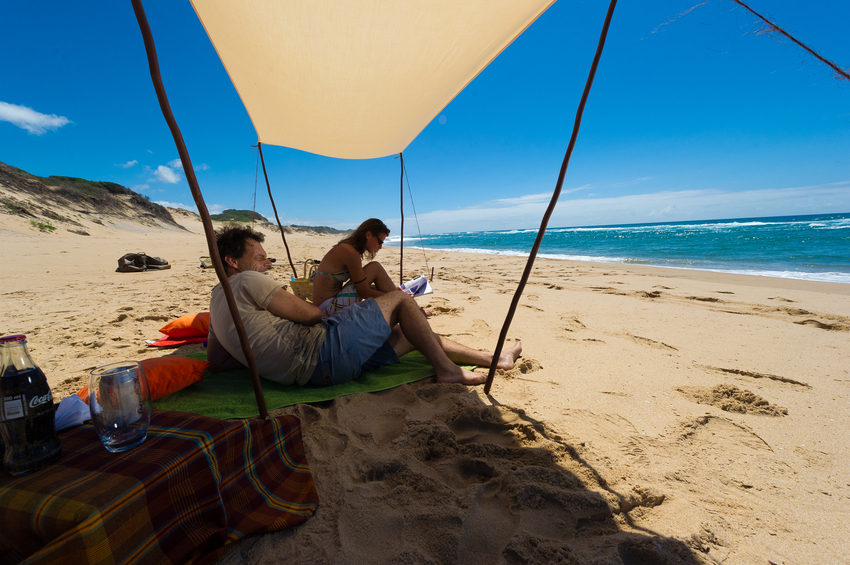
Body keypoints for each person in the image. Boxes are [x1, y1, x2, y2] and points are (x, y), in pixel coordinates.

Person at [206, 225, 522, 387]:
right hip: (323, 352)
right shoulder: (246, 281)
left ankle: (495, 359)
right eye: (260, 258)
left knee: (412, 333)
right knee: (400, 299)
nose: (267, 264)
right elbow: (312, 314)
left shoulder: (216, 298)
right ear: (233, 262)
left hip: (316, 371)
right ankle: (448, 371)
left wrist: (268, 351)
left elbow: (219, 361)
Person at [311, 218, 400, 316]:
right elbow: (364, 292)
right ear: (368, 235)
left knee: (378, 279)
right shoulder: (350, 252)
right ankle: (401, 303)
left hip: (325, 304)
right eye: (380, 242)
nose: (380, 247)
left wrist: (389, 290)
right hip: (328, 308)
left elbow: (361, 285)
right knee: (375, 267)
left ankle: (398, 299)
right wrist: (396, 297)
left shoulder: (348, 248)